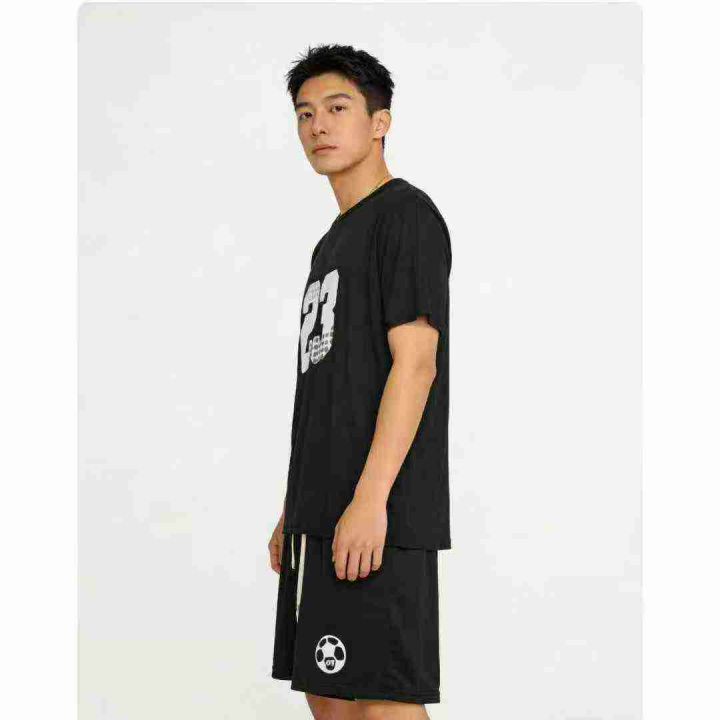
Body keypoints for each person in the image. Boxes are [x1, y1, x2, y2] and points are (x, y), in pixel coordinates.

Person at [269, 44, 452, 720]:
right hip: (323, 514)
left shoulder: (405, 216)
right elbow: (331, 389)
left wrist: (371, 500)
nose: (318, 124)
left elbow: (417, 363)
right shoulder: (332, 242)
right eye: (305, 113)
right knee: (332, 701)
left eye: (337, 108)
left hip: (378, 514)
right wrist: (295, 508)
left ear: (380, 123)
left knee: (383, 704)